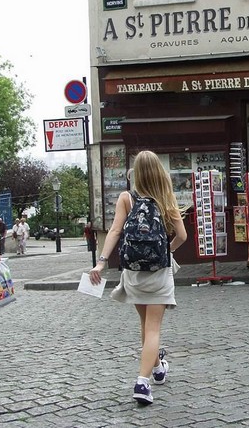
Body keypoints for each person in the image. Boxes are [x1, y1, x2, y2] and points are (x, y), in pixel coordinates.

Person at [89, 150, 187, 405]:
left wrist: (101, 263)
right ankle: (142, 384)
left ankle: (158, 368)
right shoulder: (166, 198)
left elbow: (114, 231)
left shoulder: (126, 198)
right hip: (158, 271)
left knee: (145, 327)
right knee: (153, 329)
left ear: (136, 174)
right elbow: (182, 235)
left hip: (132, 271)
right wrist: (168, 249)